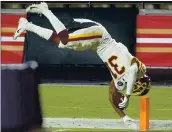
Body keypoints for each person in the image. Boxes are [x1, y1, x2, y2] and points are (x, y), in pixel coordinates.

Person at [13, 2, 151, 130]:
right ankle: (45, 10)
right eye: (137, 88)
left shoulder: (121, 84)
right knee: (65, 40)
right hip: (101, 38)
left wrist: (124, 118)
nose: (135, 89)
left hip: (95, 45)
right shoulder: (140, 70)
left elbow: (111, 95)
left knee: (60, 43)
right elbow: (132, 70)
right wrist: (127, 96)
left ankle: (27, 25)